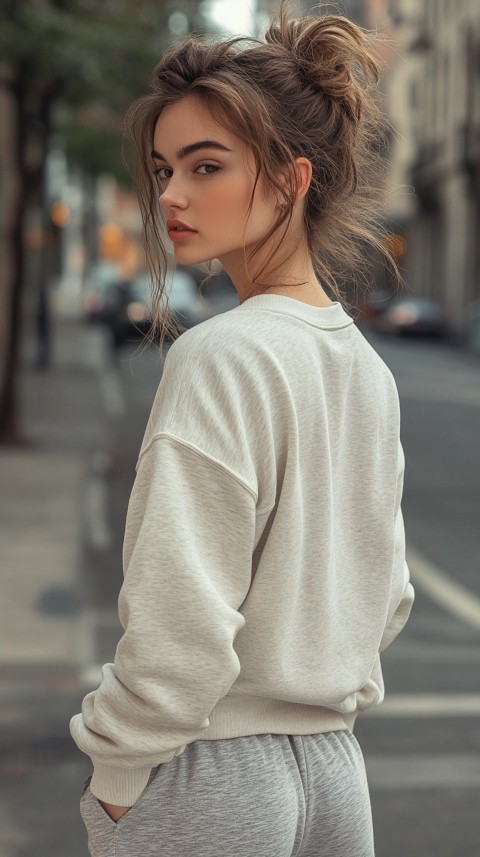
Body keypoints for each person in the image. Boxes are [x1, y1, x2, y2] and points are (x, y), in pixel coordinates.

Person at [70, 2, 414, 855]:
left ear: (293, 180)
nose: (172, 196)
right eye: (162, 169)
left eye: (206, 165)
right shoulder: (365, 366)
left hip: (207, 775)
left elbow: (177, 618)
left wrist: (115, 773)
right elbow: (391, 596)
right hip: (336, 771)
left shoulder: (219, 355)